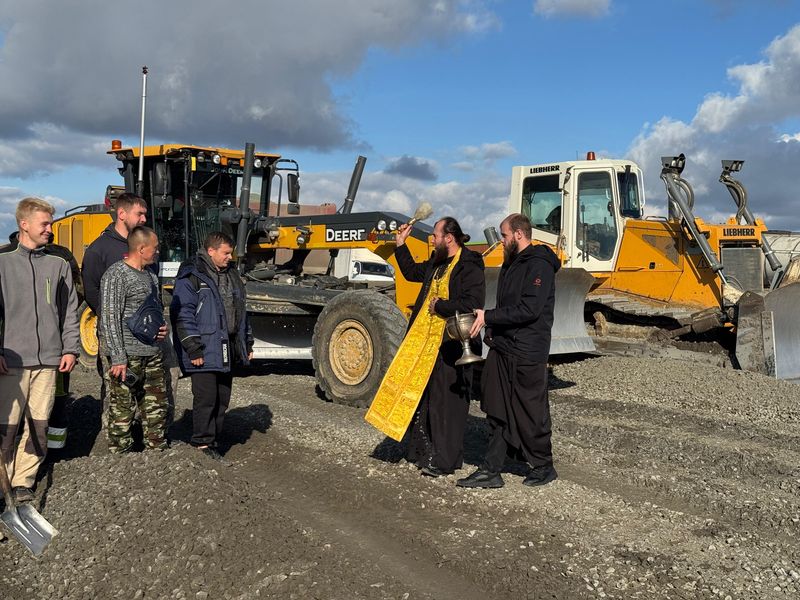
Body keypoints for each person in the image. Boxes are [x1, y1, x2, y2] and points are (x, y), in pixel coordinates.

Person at [458, 213, 559, 489]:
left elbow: (530, 310)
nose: (501, 241)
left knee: (530, 410)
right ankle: (491, 470)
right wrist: (491, 328)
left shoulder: (539, 265)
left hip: (527, 351)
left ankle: (543, 465)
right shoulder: (512, 263)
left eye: (503, 235)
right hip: (504, 347)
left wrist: (489, 317)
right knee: (496, 406)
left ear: (518, 234)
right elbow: (507, 304)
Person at [390, 217, 485, 476]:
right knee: (429, 398)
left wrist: (440, 306)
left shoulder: (470, 265)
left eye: (435, 235)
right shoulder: (437, 262)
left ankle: (445, 460)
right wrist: (401, 244)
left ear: (449, 238)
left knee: (449, 403)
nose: (432, 239)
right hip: (426, 344)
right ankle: (424, 452)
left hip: (453, 344)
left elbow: (472, 303)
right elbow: (411, 273)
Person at [0, 198, 80, 501]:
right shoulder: (2, 262)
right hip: (10, 362)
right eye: (44, 224)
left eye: (50, 223)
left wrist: (70, 349)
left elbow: (69, 311)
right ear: (24, 224)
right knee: (6, 429)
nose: (50, 229)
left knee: (38, 427)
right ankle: (2, 484)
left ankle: (23, 483)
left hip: (48, 361)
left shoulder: (58, 264)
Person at [170, 232, 253, 461]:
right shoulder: (192, 275)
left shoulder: (232, 276)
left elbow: (241, 312)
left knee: (222, 397)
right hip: (205, 348)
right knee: (206, 398)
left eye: (231, 252)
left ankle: (214, 440)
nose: (230, 257)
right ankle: (202, 444)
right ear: (211, 251)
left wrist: (246, 342)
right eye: (226, 252)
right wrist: (193, 348)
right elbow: (183, 314)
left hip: (227, 346)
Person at [99, 226, 168, 453]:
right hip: (127, 357)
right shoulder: (116, 275)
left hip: (152, 354)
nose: (157, 252)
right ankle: (120, 456)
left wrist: (161, 330)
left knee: (156, 406)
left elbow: (153, 310)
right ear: (141, 248)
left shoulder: (150, 276)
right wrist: (118, 357)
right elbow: (109, 318)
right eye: (155, 248)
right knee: (122, 408)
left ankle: (156, 451)